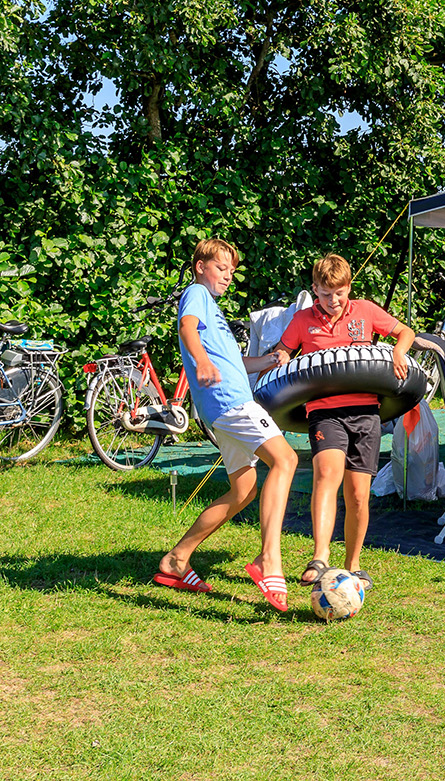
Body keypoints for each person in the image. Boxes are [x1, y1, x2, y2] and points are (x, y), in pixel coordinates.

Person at [153, 238, 299, 611]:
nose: (228, 276)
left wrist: (266, 361)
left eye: (232, 271)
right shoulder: (196, 293)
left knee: (244, 490)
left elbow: (236, 363)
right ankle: (269, 559)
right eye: (222, 268)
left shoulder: (214, 311)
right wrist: (200, 361)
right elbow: (187, 329)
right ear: (201, 266)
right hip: (228, 401)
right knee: (285, 460)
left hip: (227, 403)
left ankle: (176, 560)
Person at [278, 252, 414, 590]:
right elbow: (284, 351)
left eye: (340, 293)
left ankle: (353, 565)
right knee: (327, 474)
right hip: (324, 411)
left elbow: (405, 332)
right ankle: (320, 556)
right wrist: (280, 356)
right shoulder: (302, 320)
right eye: (325, 294)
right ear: (314, 289)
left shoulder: (365, 310)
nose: (334, 301)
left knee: (357, 495)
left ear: (348, 288)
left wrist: (398, 351)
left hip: (366, 412)